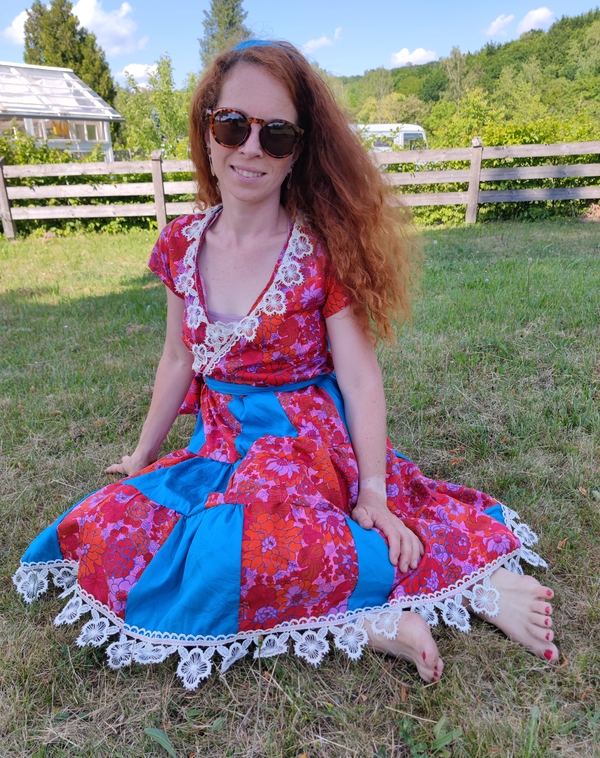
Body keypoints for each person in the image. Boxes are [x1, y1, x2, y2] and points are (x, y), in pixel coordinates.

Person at [13, 40, 558, 690]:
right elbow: (178, 358)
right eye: (232, 126)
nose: (250, 148)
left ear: (297, 151)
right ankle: (370, 620)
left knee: (233, 552)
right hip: (218, 448)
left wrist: (373, 492)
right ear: (207, 132)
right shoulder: (180, 244)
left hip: (305, 445)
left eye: (276, 134)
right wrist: (140, 456)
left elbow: (360, 377)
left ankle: (476, 589)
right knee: (109, 533)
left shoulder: (319, 252)